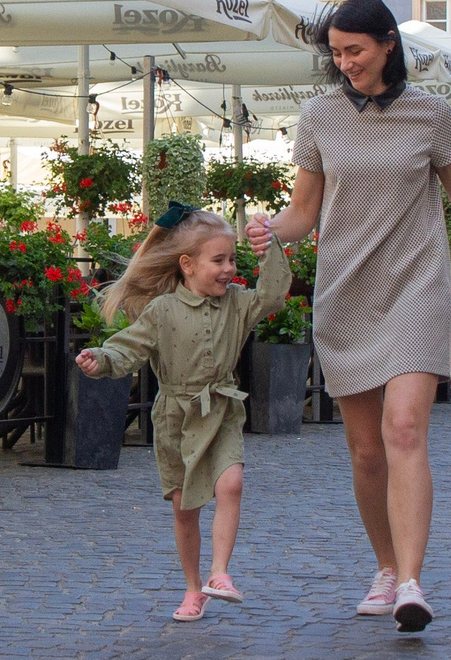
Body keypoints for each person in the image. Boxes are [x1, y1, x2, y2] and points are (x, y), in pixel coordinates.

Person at [248, 0, 451, 633]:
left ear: (387, 44)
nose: (346, 63)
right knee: (364, 452)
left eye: (355, 50)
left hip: (417, 285)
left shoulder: (430, 115)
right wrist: (270, 227)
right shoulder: (320, 117)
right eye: (336, 53)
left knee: (404, 429)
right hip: (346, 292)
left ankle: (411, 582)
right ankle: (385, 568)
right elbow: (304, 211)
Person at [76, 205, 291, 621]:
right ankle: (194, 589)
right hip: (175, 418)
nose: (229, 268)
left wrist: (269, 248)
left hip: (222, 409)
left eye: (232, 259)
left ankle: (220, 574)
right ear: (187, 265)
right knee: (183, 508)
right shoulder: (161, 311)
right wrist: (101, 359)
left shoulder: (239, 305)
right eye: (219, 260)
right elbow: (128, 347)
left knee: (231, 484)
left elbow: (274, 294)